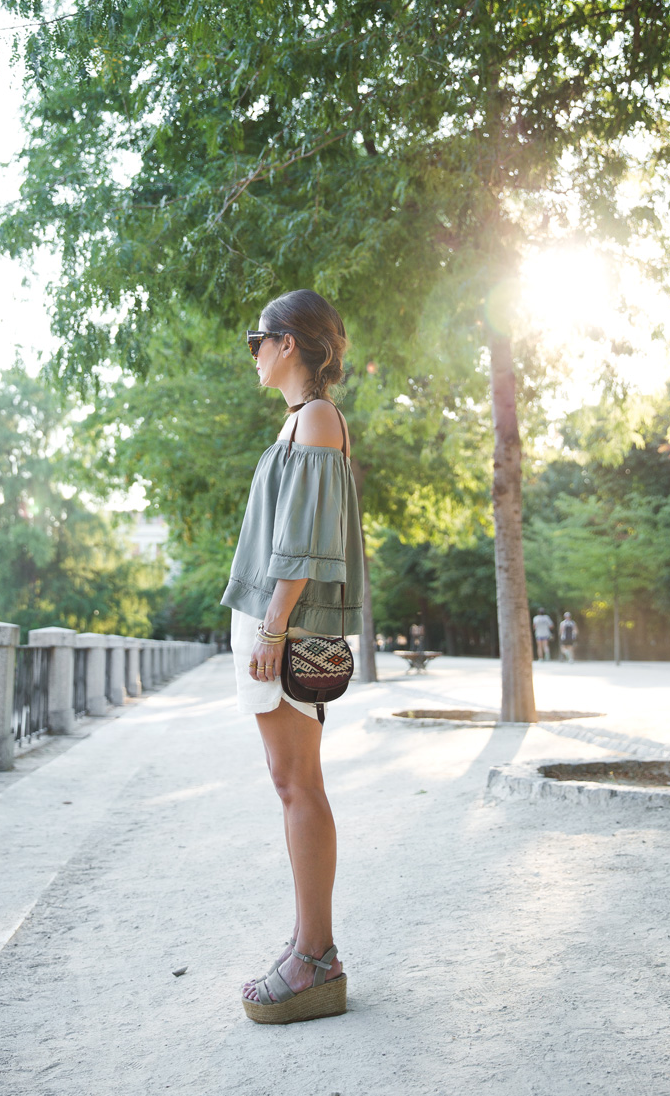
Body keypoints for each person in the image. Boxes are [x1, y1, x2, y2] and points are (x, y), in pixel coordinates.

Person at [220, 289, 364, 1025]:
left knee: (297, 781)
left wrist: (275, 627)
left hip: (290, 625)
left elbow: (306, 537)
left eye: (258, 338)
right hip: (275, 619)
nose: (252, 351)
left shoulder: (315, 418)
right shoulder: (298, 422)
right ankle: (311, 945)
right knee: (290, 780)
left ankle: (316, 956)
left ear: (288, 344)